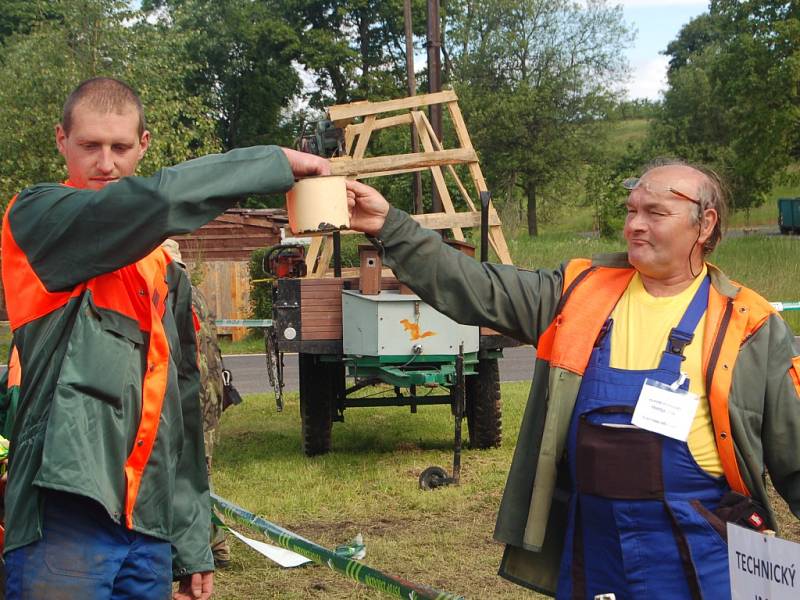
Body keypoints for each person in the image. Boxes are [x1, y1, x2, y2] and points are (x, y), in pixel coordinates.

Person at [344, 161, 800, 599]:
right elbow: (477, 287)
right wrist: (390, 226)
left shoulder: (750, 326)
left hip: (699, 544)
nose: (635, 225)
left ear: (705, 226)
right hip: (593, 542)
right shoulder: (577, 292)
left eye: (655, 213)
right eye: (631, 210)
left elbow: (795, 453)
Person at [0, 77, 328, 600]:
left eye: (120, 147)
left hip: (148, 530)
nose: (105, 163)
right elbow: (145, 204)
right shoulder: (37, 219)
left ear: (143, 146)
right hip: (63, 517)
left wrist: (192, 539)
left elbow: (178, 415)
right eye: (89, 146)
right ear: (61, 141)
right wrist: (267, 164)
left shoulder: (165, 271)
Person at [161, 239, 231, 568]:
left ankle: (209, 550)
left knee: (193, 472)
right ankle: (213, 546)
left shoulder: (174, 295)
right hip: (209, 393)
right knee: (199, 470)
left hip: (193, 396)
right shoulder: (194, 293)